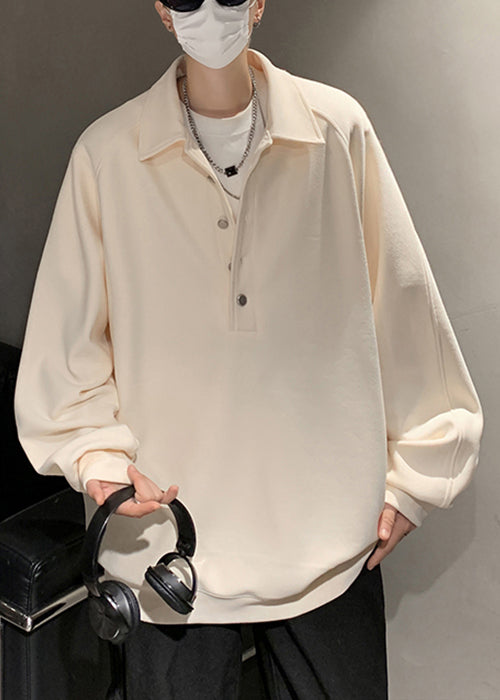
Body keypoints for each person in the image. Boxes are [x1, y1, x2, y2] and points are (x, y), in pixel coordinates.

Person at [14, 0, 484, 697]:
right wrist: (99, 462)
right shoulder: (107, 155)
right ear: (162, 9)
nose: (210, 10)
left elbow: (405, 309)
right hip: (167, 551)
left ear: (260, 1)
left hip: (328, 543)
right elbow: (67, 348)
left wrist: (417, 477)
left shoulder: (337, 130)